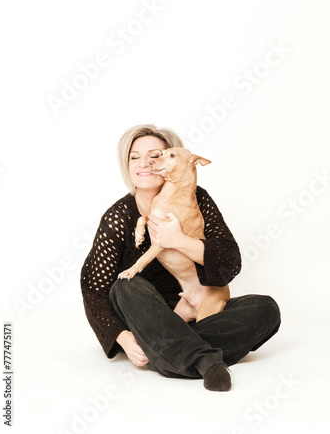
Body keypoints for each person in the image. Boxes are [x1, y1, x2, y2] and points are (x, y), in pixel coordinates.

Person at [80, 124, 281, 391]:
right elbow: (94, 290)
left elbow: (230, 259)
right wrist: (125, 338)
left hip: (194, 309)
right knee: (125, 285)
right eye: (134, 157)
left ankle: (167, 353)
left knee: (266, 308)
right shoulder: (118, 217)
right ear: (125, 164)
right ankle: (207, 361)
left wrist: (179, 241)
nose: (146, 163)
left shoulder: (198, 198)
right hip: (145, 314)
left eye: (155, 155)